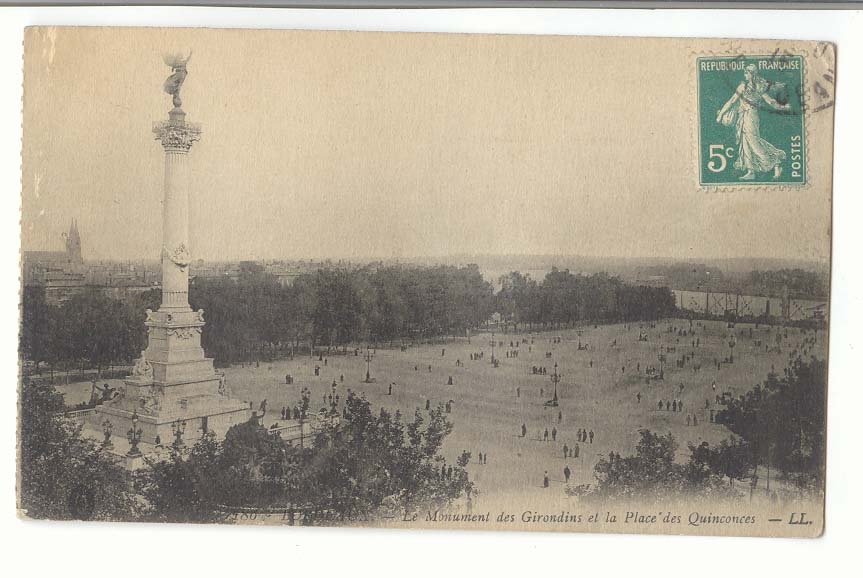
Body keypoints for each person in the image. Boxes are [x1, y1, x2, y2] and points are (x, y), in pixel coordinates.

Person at [716, 63, 790, 180]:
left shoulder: (759, 87)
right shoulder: (742, 87)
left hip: (751, 116)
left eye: (747, 73)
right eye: (745, 72)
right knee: (745, 141)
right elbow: (732, 101)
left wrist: (783, 107)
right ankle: (751, 171)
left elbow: (770, 101)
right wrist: (721, 114)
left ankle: (775, 160)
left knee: (753, 141)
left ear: (752, 74)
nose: (745, 75)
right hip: (742, 116)